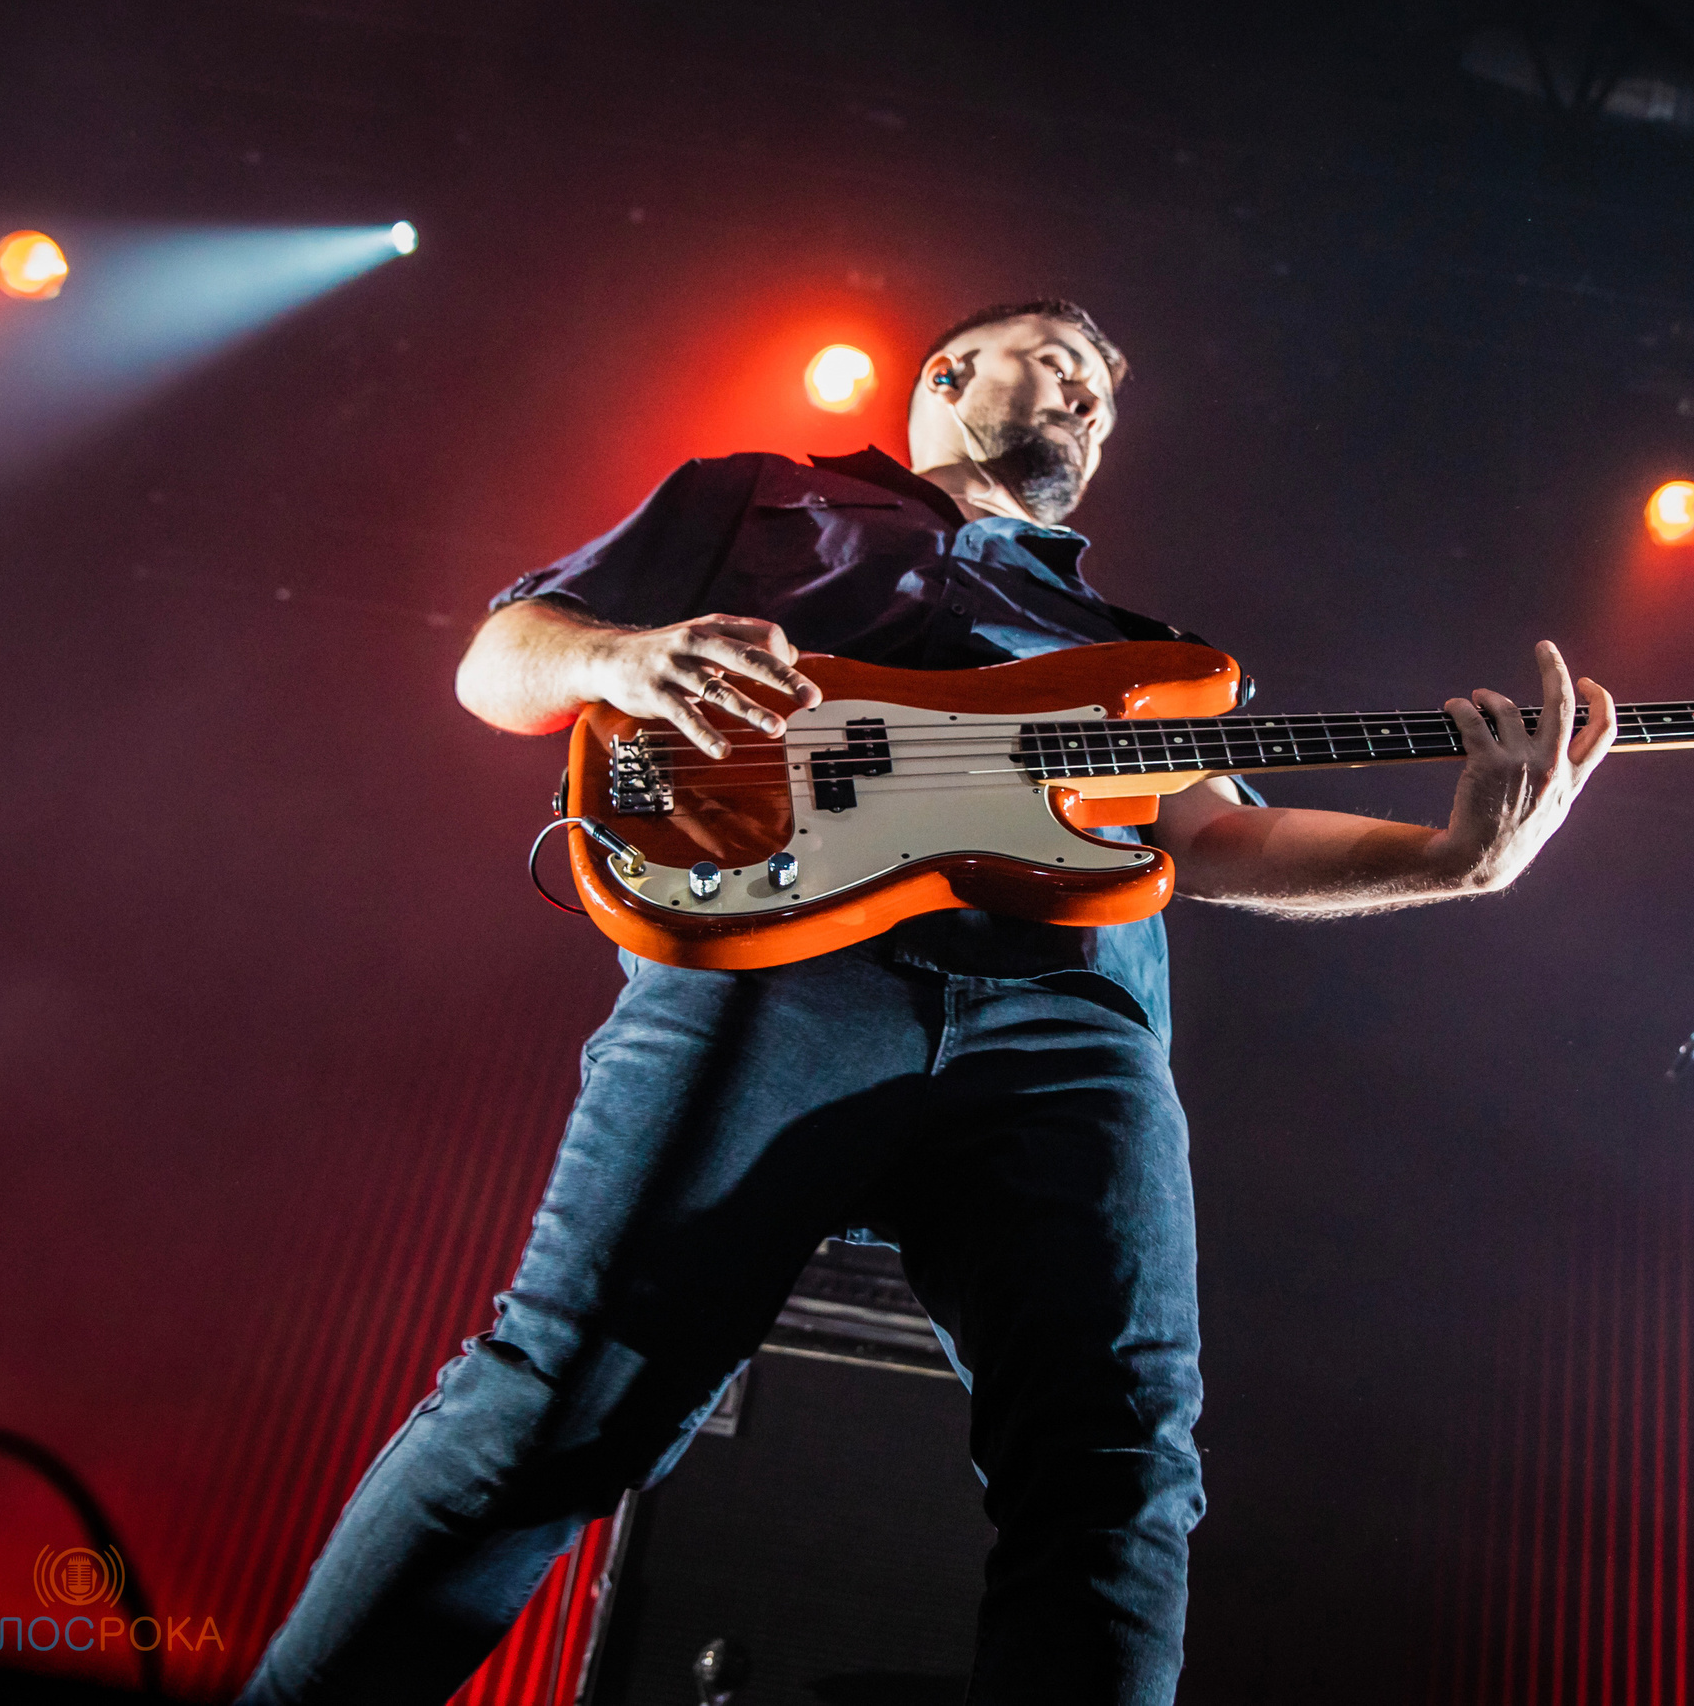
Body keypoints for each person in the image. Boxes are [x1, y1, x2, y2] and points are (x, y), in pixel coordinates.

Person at [238, 299, 1616, 1704]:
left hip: (1065, 1017)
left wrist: (1453, 860)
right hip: (775, 965)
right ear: (949, 372)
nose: (1089, 401)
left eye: (1107, 396)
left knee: (1120, 1467)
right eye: (1061, 363)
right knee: (559, 1398)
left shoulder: (1139, 648)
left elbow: (1215, 841)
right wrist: (615, 658)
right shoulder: (762, 498)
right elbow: (499, 657)